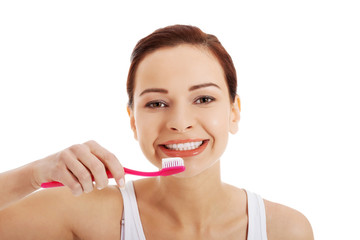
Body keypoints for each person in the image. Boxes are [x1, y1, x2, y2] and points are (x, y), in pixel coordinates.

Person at [0, 24, 313, 240]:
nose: (180, 122)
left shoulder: (285, 229)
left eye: (204, 99)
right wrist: (34, 174)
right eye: (157, 103)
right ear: (133, 121)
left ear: (234, 111)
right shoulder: (85, 212)